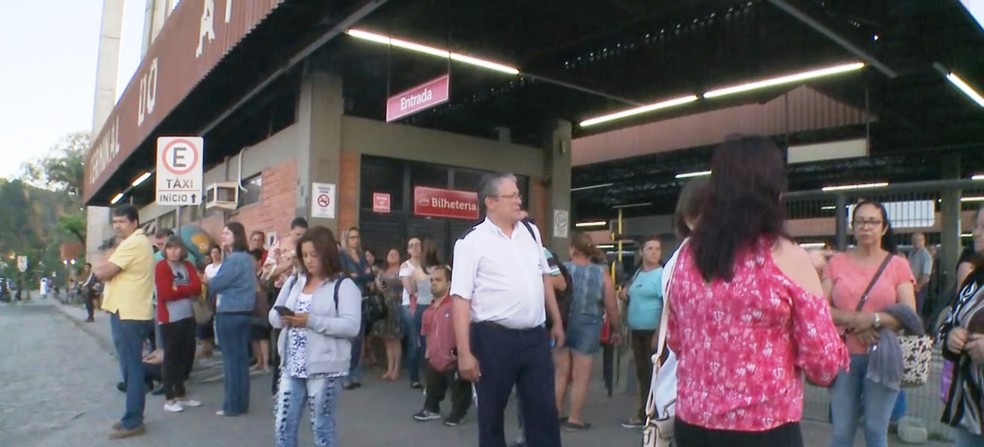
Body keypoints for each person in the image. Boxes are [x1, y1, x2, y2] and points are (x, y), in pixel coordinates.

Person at [667, 136, 847, 446]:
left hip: (692, 425)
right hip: (764, 429)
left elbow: (676, 340)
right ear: (775, 189)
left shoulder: (688, 255)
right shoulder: (787, 256)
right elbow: (823, 365)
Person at [451, 172, 565, 447]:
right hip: (493, 340)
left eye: (518, 194)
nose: (518, 200)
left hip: (535, 338)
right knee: (491, 416)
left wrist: (556, 320)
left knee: (544, 413)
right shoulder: (471, 243)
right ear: (490, 202)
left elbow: (544, 277)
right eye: (511, 196)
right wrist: (465, 353)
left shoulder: (530, 232)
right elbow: (460, 298)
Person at [824, 200, 918, 447]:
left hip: (884, 357)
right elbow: (819, 309)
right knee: (842, 431)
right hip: (843, 356)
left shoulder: (897, 265)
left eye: (873, 222)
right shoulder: (837, 264)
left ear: (884, 228)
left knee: (876, 431)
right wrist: (854, 320)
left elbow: (909, 312)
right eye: (860, 221)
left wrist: (872, 320)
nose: (866, 227)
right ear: (853, 227)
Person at [269, 226, 362, 447]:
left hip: (325, 368)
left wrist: (310, 321)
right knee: (283, 426)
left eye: (314, 254)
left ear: (326, 253)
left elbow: (351, 326)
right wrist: (282, 318)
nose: (308, 261)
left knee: (322, 427)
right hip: (291, 364)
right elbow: (274, 313)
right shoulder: (295, 281)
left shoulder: (343, 285)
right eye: (304, 255)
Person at [93, 204, 156, 440]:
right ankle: (132, 414)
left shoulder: (134, 243)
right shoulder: (132, 243)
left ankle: (134, 420)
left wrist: (104, 260)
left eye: (121, 221)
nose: (117, 226)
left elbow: (103, 272)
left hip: (130, 313)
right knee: (130, 367)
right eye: (115, 222)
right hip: (125, 310)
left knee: (132, 367)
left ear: (134, 222)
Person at [554, 232, 620, 430]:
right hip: (589, 323)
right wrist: (616, 328)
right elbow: (611, 304)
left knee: (560, 373)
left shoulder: (561, 270)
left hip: (563, 323)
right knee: (581, 376)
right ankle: (575, 418)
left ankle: (555, 413)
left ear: (572, 249)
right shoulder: (601, 273)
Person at [940, 205, 984, 446]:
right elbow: (946, 324)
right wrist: (950, 337)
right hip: (970, 405)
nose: (976, 233)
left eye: (983, 227)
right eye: (976, 226)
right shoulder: (973, 280)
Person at [205, 222, 258, 417]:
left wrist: (209, 282)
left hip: (230, 312)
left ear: (237, 235)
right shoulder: (246, 259)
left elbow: (217, 283)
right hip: (244, 311)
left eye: (227, 233)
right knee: (240, 360)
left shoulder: (234, 260)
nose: (223, 235)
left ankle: (232, 405)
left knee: (231, 361)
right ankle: (241, 403)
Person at [413, 266, 472, 426]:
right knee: (433, 386)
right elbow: (427, 334)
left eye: (438, 280)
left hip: (454, 358)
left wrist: (463, 352)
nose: (433, 283)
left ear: (449, 283)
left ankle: (458, 413)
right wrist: (427, 355)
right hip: (434, 358)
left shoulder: (455, 306)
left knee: (459, 389)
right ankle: (431, 409)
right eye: (431, 280)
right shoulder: (428, 311)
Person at [154, 236, 204, 413]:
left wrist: (179, 288)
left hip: (188, 315)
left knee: (185, 356)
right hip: (170, 318)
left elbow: (197, 287)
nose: (173, 252)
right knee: (171, 358)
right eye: (170, 248)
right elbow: (165, 293)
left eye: (177, 248)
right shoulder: (161, 267)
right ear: (165, 250)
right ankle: (169, 398)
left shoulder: (187, 266)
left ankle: (181, 394)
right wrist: (185, 289)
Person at [620, 235, 664, 429]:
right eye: (650, 248)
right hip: (636, 331)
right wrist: (625, 292)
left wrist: (658, 333)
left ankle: (652, 414)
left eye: (657, 249)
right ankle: (645, 412)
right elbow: (633, 292)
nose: (654, 252)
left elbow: (666, 305)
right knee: (642, 373)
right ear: (641, 252)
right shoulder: (638, 274)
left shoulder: (662, 275)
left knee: (654, 373)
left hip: (652, 331)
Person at [263, 217, 309, 395]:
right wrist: (290, 263)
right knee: (281, 339)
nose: (300, 238)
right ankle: (278, 385)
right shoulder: (278, 246)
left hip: (302, 294)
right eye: (297, 234)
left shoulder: (308, 248)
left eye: (303, 235)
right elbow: (267, 273)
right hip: (282, 292)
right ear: (291, 231)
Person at [339, 227, 375, 390]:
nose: (355, 240)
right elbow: (345, 275)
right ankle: (345, 373)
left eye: (357, 237)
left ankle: (355, 371)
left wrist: (358, 276)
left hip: (362, 297)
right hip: (348, 298)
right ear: (346, 239)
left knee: (359, 337)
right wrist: (360, 276)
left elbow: (370, 275)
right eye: (352, 237)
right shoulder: (343, 256)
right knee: (349, 338)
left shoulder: (362, 256)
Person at [372, 248, 405, 381]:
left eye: (395, 254)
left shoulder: (402, 271)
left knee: (395, 339)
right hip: (384, 308)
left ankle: (396, 369)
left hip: (396, 306)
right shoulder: (383, 272)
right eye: (389, 254)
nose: (391, 256)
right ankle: (389, 368)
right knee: (387, 340)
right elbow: (380, 288)